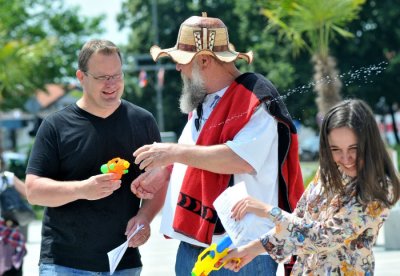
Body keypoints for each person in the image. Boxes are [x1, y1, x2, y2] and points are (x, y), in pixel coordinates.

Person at [131, 13, 304, 275]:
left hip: (240, 250)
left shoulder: (253, 97)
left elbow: (241, 159)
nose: (178, 68)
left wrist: (173, 153)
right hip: (194, 243)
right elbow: (195, 156)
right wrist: (164, 172)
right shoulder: (204, 100)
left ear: (203, 60)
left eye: (182, 61)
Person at [25, 39, 167, 275]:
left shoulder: (143, 122)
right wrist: (82, 190)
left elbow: (161, 180)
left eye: (117, 75)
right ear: (81, 77)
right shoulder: (55, 125)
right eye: (102, 77)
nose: (111, 84)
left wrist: (145, 216)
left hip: (124, 262)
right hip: (64, 263)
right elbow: (33, 191)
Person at [221, 99, 400, 275]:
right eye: (335, 149)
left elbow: (325, 237)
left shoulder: (381, 187)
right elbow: (300, 224)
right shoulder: (329, 172)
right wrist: (250, 250)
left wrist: (269, 211)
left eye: (354, 148)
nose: (345, 158)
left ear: (369, 143)